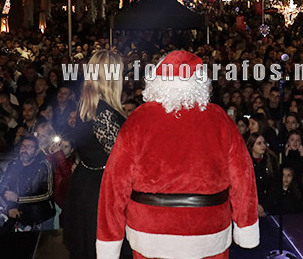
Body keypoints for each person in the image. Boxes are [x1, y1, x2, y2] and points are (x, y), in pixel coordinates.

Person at [96, 50, 259, 259]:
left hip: (150, 232)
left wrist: (109, 240)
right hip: (208, 231)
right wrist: (246, 226)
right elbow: (243, 177)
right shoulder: (219, 118)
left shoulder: (138, 120)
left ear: (157, 81)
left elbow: (114, 184)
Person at [63, 50, 129, 259]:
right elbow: (121, 159)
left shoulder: (88, 106)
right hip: (101, 189)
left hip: (87, 182)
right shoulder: (103, 112)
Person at [0, 134, 55, 231]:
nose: (24, 150)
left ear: (36, 151)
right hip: (18, 216)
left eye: (29, 147)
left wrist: (19, 199)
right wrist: (9, 207)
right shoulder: (13, 165)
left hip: (40, 216)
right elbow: (1, 188)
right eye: (23, 146)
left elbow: (47, 194)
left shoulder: (43, 166)